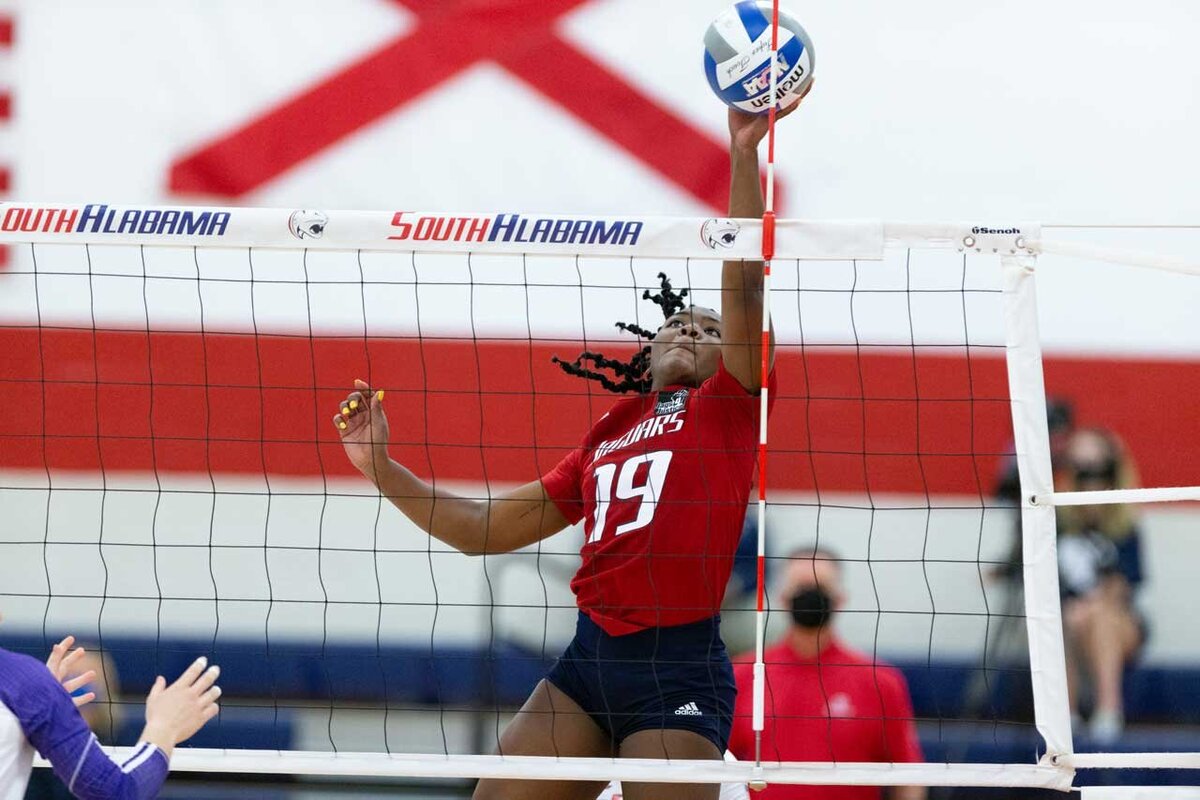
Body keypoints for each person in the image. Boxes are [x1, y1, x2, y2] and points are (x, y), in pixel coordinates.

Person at [334, 91, 811, 800]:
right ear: (647, 352)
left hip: (675, 669)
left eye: (711, 331)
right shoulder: (608, 434)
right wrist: (380, 467)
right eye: (679, 323)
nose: (693, 331)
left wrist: (743, 154)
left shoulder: (730, 409)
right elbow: (483, 529)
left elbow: (742, 283)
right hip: (587, 663)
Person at [727, 548, 924, 800]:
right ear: (782, 597)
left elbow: (908, 776)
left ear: (840, 598)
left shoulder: (881, 681)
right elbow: (715, 767)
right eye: (802, 586)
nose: (810, 595)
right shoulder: (743, 674)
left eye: (820, 587)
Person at [1, 630, 221, 800]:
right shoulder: (22, 679)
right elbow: (117, 792)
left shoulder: (24, 687)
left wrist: (40, 700)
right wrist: (164, 727)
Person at [1056, 427, 1146, 743]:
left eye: (1098, 470)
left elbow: (1125, 588)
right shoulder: (1056, 521)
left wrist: (1093, 605)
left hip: (1119, 622)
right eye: (1082, 470)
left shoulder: (1124, 524)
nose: (1090, 479)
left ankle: (1108, 710)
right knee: (1059, 619)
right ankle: (1065, 713)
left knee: (1102, 616)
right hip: (1070, 619)